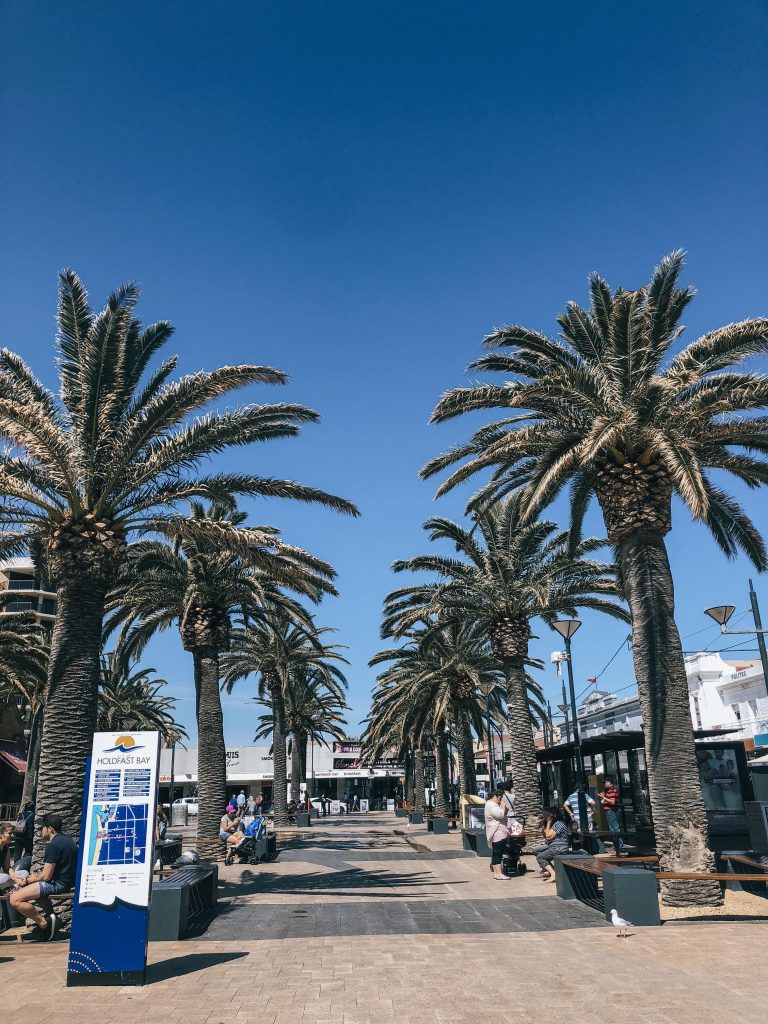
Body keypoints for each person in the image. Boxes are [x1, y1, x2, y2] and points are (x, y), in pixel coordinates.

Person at [9, 812, 78, 941]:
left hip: (57, 884)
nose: (40, 830)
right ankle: (52, 917)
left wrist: (31, 879)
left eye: (42, 827)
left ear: (50, 829)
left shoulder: (53, 845)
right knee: (31, 889)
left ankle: (44, 923)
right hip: (67, 882)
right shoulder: (68, 840)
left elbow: (46, 876)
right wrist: (36, 878)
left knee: (14, 899)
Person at [534, 807, 571, 882]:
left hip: (558, 848)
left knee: (540, 857)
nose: (545, 817)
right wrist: (545, 824)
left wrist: (548, 822)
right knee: (538, 852)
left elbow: (548, 836)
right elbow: (546, 836)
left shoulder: (559, 823)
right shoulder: (556, 824)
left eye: (546, 815)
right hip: (555, 847)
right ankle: (552, 871)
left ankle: (553, 874)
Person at [484, 786, 511, 880]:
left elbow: (505, 812)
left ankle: (497, 873)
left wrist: (504, 807)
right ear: (495, 796)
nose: (501, 799)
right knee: (498, 853)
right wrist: (502, 805)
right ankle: (499, 873)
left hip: (499, 831)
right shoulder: (492, 805)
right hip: (498, 832)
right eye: (500, 797)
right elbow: (500, 815)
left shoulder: (492, 804)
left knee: (496, 853)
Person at [599, 777, 624, 855]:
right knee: (613, 829)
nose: (604, 784)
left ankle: (618, 847)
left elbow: (612, 802)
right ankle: (616, 847)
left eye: (606, 782)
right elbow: (605, 801)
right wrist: (603, 798)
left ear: (610, 783)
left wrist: (604, 797)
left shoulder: (612, 790)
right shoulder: (608, 791)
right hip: (609, 811)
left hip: (611, 811)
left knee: (615, 829)